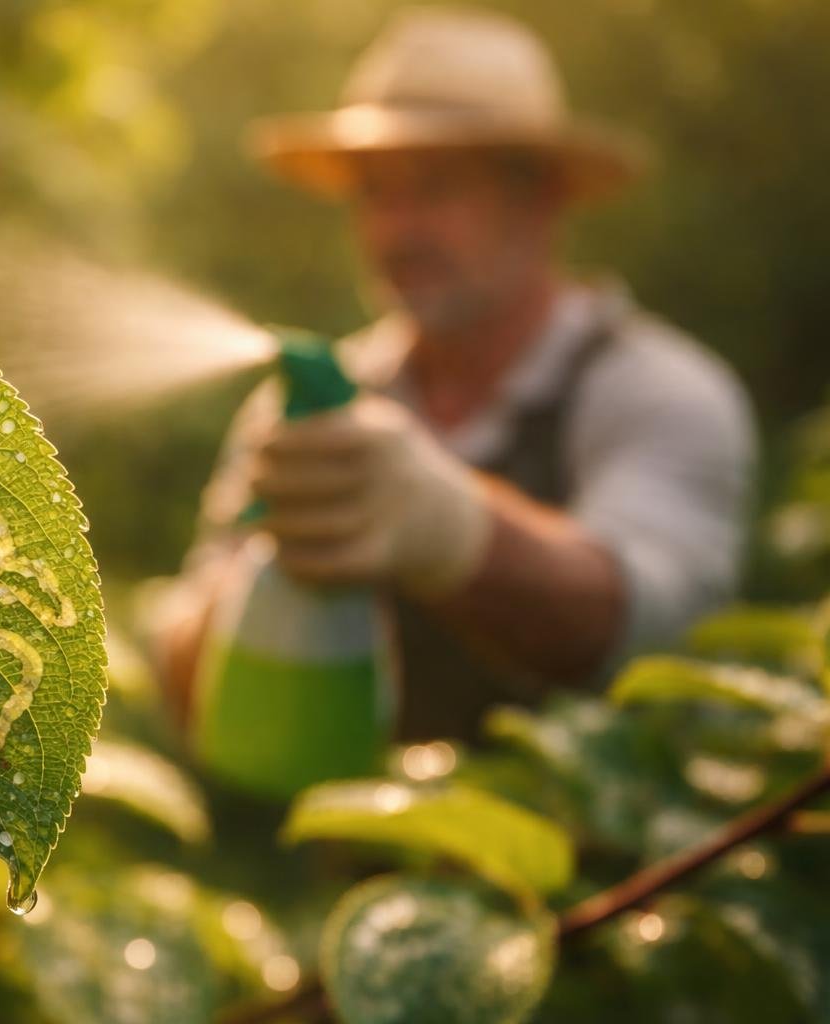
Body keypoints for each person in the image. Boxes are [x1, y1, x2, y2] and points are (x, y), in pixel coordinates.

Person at [157, 6, 756, 740]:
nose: (395, 229)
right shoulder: (304, 408)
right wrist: (257, 578)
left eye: (434, 187)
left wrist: (454, 531)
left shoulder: (658, 392)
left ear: (539, 200)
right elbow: (180, 669)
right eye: (375, 191)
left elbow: (656, 633)